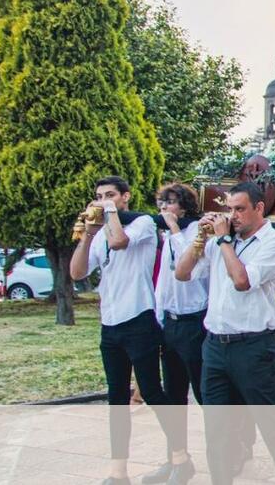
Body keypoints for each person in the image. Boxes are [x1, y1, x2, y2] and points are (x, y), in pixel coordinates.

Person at [173, 182, 275, 485]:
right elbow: (182, 274)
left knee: (273, 427)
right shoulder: (223, 241)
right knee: (217, 430)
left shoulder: (274, 243)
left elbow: (242, 280)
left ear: (259, 208)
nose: (233, 215)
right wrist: (200, 239)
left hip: (254, 347)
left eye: (240, 209)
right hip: (216, 345)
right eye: (230, 209)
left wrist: (222, 241)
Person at [70, 177, 180, 485]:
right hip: (111, 324)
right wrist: (88, 236)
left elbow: (119, 241)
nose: (103, 200)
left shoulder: (143, 223)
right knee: (116, 400)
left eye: (110, 195)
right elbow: (78, 272)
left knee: (153, 391)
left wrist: (109, 214)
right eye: (99, 196)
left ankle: (180, 456)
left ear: (125, 197)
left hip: (139, 319)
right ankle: (118, 472)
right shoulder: (102, 230)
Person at [144, 183, 208, 485]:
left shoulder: (195, 230)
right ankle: (177, 458)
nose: (164, 208)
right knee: (173, 396)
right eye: (161, 203)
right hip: (169, 323)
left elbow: (189, 268)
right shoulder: (168, 236)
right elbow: (165, 281)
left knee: (205, 394)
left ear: (184, 206)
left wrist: (175, 230)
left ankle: (230, 452)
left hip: (195, 322)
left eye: (170, 202)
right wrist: (159, 317)